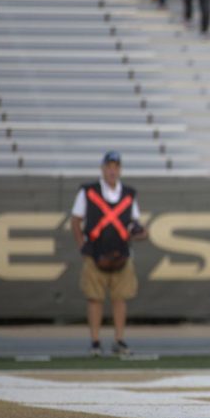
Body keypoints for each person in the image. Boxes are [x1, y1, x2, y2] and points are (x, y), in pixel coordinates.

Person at [70, 151, 146, 357]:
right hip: (95, 253)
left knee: (120, 298)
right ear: (102, 169)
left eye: (116, 167)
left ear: (120, 169)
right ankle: (95, 341)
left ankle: (118, 339)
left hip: (121, 253)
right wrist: (82, 245)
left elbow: (134, 223)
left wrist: (138, 232)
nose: (112, 171)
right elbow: (75, 220)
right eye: (109, 167)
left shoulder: (129, 194)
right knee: (94, 298)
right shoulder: (88, 192)